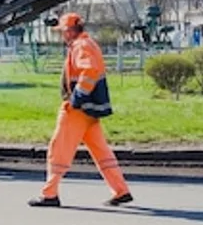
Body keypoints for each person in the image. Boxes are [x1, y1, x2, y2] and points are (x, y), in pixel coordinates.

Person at [29, 12, 133, 208]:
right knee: (101, 152)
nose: (61, 35)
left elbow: (89, 71)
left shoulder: (81, 46)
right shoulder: (88, 43)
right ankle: (121, 190)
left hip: (77, 109)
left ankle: (50, 194)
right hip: (89, 110)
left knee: (57, 150)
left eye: (62, 31)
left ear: (69, 31)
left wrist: (76, 98)